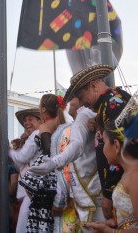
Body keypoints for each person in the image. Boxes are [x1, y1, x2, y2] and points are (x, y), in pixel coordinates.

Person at [63, 64, 131, 220]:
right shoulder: (107, 105)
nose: (80, 103)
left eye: (80, 97)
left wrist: (108, 192)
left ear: (93, 86)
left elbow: (121, 149)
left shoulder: (112, 104)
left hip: (124, 187)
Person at [29, 96, 105, 231]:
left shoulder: (65, 130)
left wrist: (59, 200)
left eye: (75, 97)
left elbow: (64, 171)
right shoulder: (70, 127)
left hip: (76, 198)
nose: (70, 102)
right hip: (78, 197)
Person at [87, 91, 138, 232]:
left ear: (116, 146)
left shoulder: (134, 176)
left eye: (104, 143)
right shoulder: (129, 173)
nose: (102, 150)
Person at [20, 94, 67, 233]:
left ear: (43, 110)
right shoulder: (63, 126)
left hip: (47, 184)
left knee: (43, 220)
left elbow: (48, 152)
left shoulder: (45, 126)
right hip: (61, 179)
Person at [8, 107, 42, 233]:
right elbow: (20, 164)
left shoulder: (36, 135)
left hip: (34, 190)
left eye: (30, 119)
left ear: (40, 121)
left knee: (23, 223)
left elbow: (21, 157)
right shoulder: (39, 135)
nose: (27, 123)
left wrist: (8, 151)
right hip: (35, 190)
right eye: (25, 120)